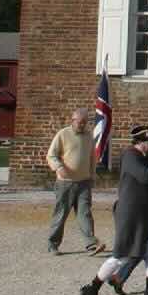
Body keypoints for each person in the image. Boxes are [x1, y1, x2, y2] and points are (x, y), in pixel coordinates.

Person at [81, 126, 148, 295]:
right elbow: (146, 176)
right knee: (122, 256)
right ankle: (92, 288)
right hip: (131, 215)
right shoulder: (131, 156)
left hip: (146, 215)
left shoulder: (145, 157)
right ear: (138, 142)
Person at [45, 109, 104, 255]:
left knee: (85, 213)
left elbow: (92, 158)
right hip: (66, 183)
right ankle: (53, 244)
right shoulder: (63, 134)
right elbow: (51, 155)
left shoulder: (89, 136)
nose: (82, 125)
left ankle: (91, 243)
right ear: (73, 120)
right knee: (61, 214)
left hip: (84, 182)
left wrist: (92, 175)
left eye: (85, 122)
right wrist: (59, 167)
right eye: (79, 122)